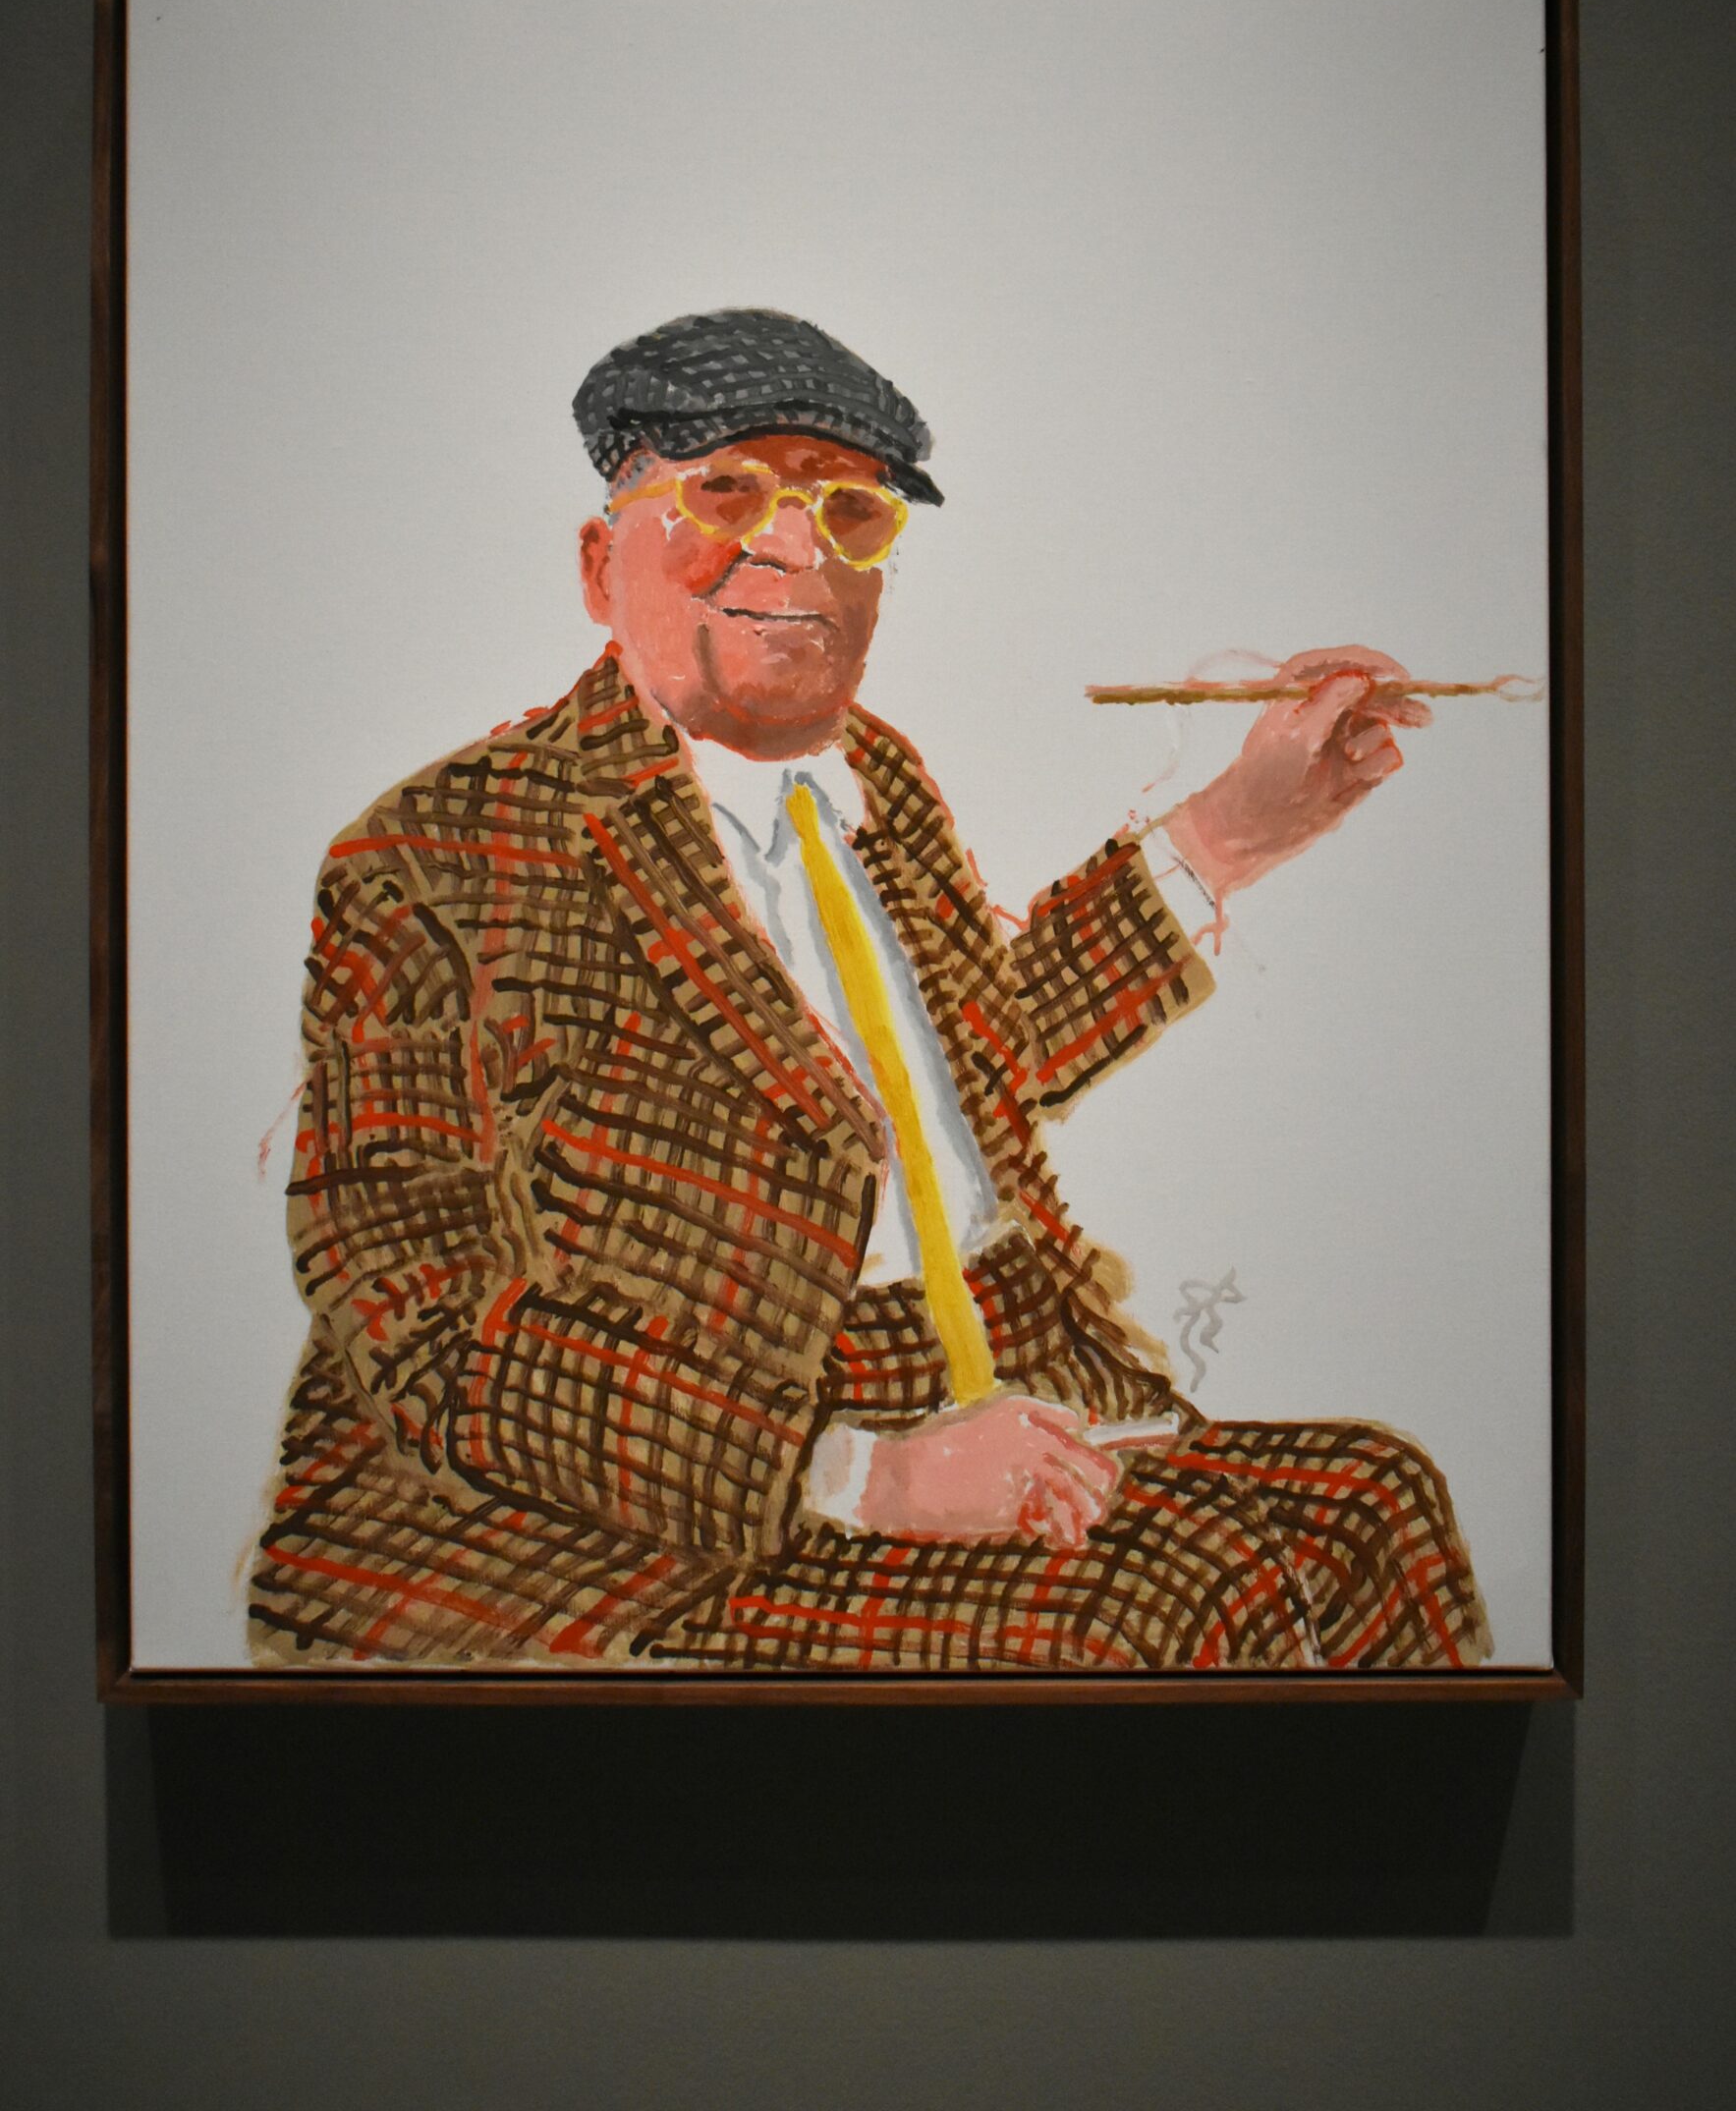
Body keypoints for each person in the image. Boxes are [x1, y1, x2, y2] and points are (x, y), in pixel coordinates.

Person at [250, 308, 1488, 1672]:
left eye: (850, 510)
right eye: (729, 492)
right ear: (603, 566)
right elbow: (418, 1323)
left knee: (1373, 1508)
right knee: (1167, 1617)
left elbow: (968, 1074)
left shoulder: (876, 785)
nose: (798, 549)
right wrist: (863, 1473)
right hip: (619, 1526)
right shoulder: (439, 857)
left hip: (963, 1378)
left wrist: (1234, 831)